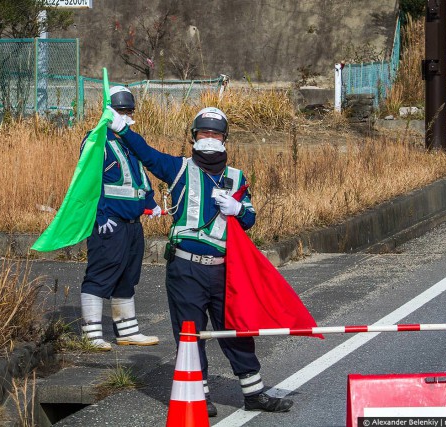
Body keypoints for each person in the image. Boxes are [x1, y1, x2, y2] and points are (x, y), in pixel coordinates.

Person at [107, 106, 293, 416]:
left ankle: (254, 392)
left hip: (223, 269)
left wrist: (237, 210)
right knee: (190, 333)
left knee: (236, 330)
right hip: (185, 267)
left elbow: (250, 217)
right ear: (194, 137)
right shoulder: (178, 168)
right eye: (203, 133)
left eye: (215, 134)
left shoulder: (236, 176)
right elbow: (147, 153)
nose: (209, 139)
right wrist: (123, 129)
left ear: (225, 139)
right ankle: (199, 394)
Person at [79, 86, 161, 351]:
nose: (126, 116)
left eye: (129, 111)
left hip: (132, 223)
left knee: (128, 274)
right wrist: (100, 215)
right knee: (102, 272)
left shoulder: (130, 141)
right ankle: (91, 333)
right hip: (109, 221)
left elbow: (140, 176)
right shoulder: (96, 140)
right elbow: (88, 182)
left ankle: (127, 330)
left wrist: (151, 203)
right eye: (121, 111)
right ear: (109, 110)